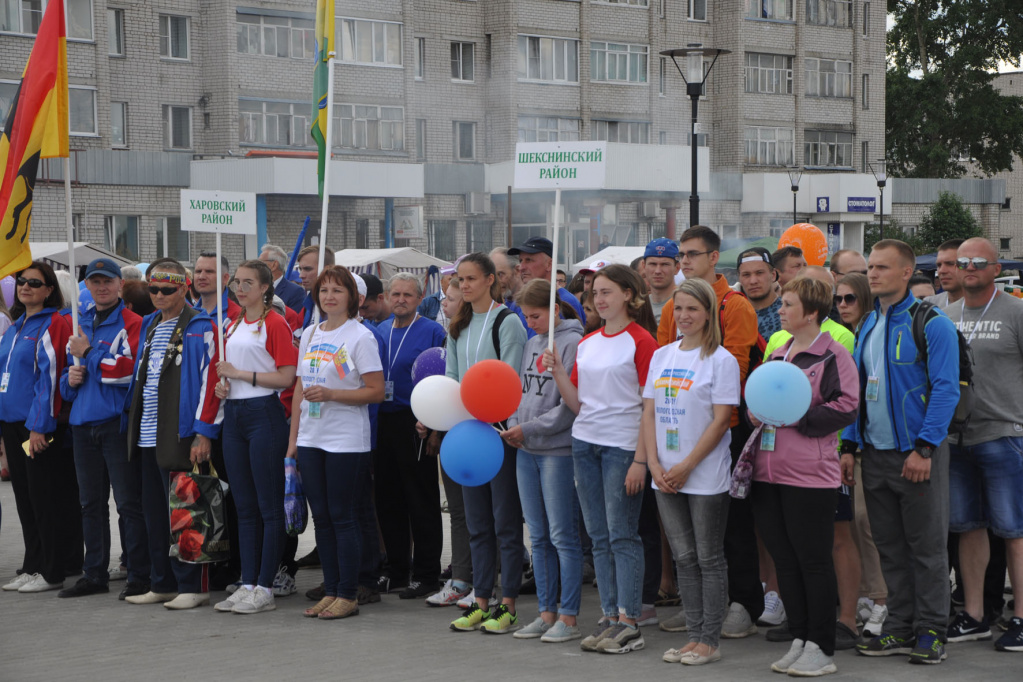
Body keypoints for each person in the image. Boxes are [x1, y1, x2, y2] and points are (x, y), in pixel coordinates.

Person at [842, 240, 960, 663]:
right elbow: (857, 389)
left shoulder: (931, 323)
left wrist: (925, 448)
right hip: (874, 455)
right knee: (890, 547)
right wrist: (849, 445)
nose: (872, 274)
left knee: (927, 549)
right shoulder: (869, 324)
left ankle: (931, 629)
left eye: (882, 268)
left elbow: (946, 390)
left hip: (918, 455)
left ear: (907, 272)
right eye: (870, 267)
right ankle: (898, 627)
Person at [544, 264, 658, 654]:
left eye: (608, 291)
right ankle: (610, 615)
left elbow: (650, 406)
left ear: (629, 294)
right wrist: (559, 372)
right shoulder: (589, 342)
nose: (600, 299)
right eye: (596, 293)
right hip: (584, 443)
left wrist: (641, 461)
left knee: (622, 533)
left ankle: (630, 620)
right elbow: (578, 403)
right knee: (597, 535)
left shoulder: (642, 341)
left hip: (622, 447)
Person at [655, 226, 763, 639]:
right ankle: (698, 603)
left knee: (731, 526)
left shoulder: (734, 305)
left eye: (693, 254)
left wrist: (720, 425)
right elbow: (667, 362)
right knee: (687, 537)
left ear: (715, 257)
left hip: (724, 428)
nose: (684, 261)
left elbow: (736, 369)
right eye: (681, 254)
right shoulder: (673, 307)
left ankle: (743, 603)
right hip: (677, 427)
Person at [751, 277, 860, 676]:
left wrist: (799, 418)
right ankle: (800, 637)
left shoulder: (833, 356)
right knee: (785, 558)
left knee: (813, 560)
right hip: (767, 471)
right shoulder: (777, 351)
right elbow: (758, 400)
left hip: (810, 475)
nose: (780, 310)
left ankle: (822, 645)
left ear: (811, 312)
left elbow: (848, 406)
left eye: (788, 304)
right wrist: (755, 411)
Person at [642, 278, 740, 666]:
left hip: (703, 475)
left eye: (692, 309)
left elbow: (720, 422)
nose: (683, 316)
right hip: (663, 473)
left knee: (708, 557)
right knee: (683, 558)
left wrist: (686, 465)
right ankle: (694, 635)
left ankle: (709, 641)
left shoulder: (721, 360)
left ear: (708, 313)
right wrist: (653, 463)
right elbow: (649, 411)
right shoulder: (662, 355)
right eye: (678, 308)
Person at [122, 260, 221, 610]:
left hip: (181, 434)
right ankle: (162, 582)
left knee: (188, 512)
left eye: (167, 289)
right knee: (155, 514)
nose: (159, 295)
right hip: (148, 434)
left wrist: (203, 432)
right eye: (153, 289)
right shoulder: (149, 324)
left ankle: (193, 585)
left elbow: (212, 383)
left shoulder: (200, 325)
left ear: (184, 287)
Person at [289, 265, 384, 620]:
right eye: (324, 289)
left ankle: (348, 593)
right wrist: (293, 440)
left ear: (352, 299)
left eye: (337, 290)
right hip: (312, 437)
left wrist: (332, 393)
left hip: (345, 440)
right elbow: (299, 387)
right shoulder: (311, 333)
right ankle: (331, 589)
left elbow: (375, 391)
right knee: (323, 519)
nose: (329, 296)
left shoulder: (360, 336)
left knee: (343, 517)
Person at [943, 237, 1023, 652]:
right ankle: (973, 615)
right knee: (967, 527)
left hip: (1005, 433)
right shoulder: (945, 312)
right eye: (962, 262)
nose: (969, 267)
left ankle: (1021, 618)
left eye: (978, 261)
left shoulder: (1016, 311)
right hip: (957, 437)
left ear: (996, 268)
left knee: (1014, 530)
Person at [445, 253, 528, 634]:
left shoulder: (507, 322)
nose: (464, 286)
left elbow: (510, 379)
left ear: (491, 280)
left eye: (471, 279)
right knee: (477, 523)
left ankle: (507, 604)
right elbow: (450, 378)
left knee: (504, 523)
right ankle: (480, 601)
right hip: (466, 434)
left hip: (497, 433)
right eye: (460, 279)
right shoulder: (457, 323)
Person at [57, 259, 149, 601]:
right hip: (82, 426)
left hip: (116, 424)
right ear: (87, 287)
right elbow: (69, 386)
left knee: (128, 503)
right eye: (94, 282)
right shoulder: (80, 324)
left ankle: (139, 573)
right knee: (90, 505)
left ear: (119, 285)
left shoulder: (133, 322)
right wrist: (71, 378)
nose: (101, 287)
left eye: (107, 281)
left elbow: (125, 373)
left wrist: (90, 355)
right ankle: (93, 573)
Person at [210, 260, 297, 614]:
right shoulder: (230, 325)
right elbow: (230, 372)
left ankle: (265, 585)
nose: (240, 288)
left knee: (268, 506)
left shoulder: (274, 323)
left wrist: (240, 374)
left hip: (264, 415)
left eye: (248, 283)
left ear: (265, 288)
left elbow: (287, 377)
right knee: (243, 507)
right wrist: (223, 384)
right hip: (234, 416)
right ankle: (247, 581)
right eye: (236, 282)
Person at [502, 278, 585, 643]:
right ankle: (545, 611)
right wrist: (515, 424)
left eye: (535, 315)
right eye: (525, 315)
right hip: (527, 449)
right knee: (537, 536)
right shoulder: (533, 341)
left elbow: (569, 405)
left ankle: (568, 616)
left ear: (554, 310)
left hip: (556, 451)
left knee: (562, 535)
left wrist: (530, 428)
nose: (529, 321)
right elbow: (521, 391)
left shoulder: (571, 342)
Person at [0, 263, 76, 594]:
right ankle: (32, 565)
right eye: (21, 281)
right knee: (24, 498)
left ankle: (52, 570)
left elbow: (50, 377)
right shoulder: (16, 326)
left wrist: (39, 427)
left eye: (34, 282)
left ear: (48, 290)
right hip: (11, 425)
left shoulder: (54, 324)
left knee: (44, 497)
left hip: (36, 429)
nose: (25, 286)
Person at [374, 273, 447, 600]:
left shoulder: (433, 331)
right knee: (388, 500)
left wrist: (434, 427)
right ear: (388, 297)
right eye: (395, 294)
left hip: (416, 421)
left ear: (420, 299)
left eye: (407, 295)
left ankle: (428, 573)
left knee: (421, 499)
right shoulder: (379, 331)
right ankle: (396, 569)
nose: (400, 299)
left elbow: (444, 382)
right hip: (383, 421)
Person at [834, 272, 889, 636]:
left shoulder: (874, 330)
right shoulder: (855, 334)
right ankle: (871, 594)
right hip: (853, 444)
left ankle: (884, 600)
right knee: (855, 523)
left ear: (866, 299)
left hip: (881, 443)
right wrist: (849, 446)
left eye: (850, 298)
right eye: (838, 299)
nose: (842, 306)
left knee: (870, 525)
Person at [508, 237, 585, 321]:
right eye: (520, 261)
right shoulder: (519, 302)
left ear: (549, 264)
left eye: (528, 260)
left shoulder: (566, 302)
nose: (521, 267)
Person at [737, 247, 782, 339]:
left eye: (759, 273)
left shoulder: (788, 313)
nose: (753, 281)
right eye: (746, 275)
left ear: (773, 275)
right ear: (740, 278)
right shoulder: (734, 316)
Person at [192, 251, 241, 324]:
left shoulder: (237, 315)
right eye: (198, 271)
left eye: (209, 271)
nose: (201, 277)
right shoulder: (188, 314)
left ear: (225, 278)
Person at [643, 238, 681, 328]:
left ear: (677, 268)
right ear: (643, 266)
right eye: (653, 264)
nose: (658, 271)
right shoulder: (639, 306)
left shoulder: (686, 304)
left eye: (665, 264)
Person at [296, 245, 335, 328]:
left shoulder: (335, 305)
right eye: (300, 269)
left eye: (308, 269)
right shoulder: (308, 304)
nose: (301, 275)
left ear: (326, 269)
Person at [259, 244, 306, 313]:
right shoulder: (255, 289)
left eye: (260, 263)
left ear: (274, 265)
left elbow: (293, 320)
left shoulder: (295, 292)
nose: (256, 267)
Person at [925, 239, 965, 308]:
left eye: (950, 264)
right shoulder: (930, 305)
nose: (941, 271)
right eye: (939, 265)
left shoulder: (987, 306)